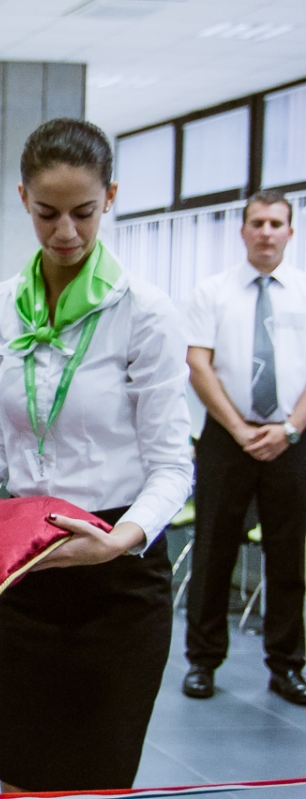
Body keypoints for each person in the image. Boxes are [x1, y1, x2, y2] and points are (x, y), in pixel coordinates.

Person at [0, 118, 192, 792]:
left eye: (84, 212)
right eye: (47, 213)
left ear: (111, 197)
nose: (66, 232)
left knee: (95, 781)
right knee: (21, 776)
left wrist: (118, 540)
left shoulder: (145, 312)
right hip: (31, 564)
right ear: (23, 199)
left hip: (118, 571)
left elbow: (173, 466)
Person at [181, 191, 306, 705]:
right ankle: (202, 662)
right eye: (257, 222)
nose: (266, 232)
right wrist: (238, 429)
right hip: (225, 437)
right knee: (214, 550)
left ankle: (288, 665)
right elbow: (198, 363)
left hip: (291, 438)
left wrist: (290, 430)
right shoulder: (212, 292)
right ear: (243, 230)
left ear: (290, 232)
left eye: (276, 223)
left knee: (288, 555)